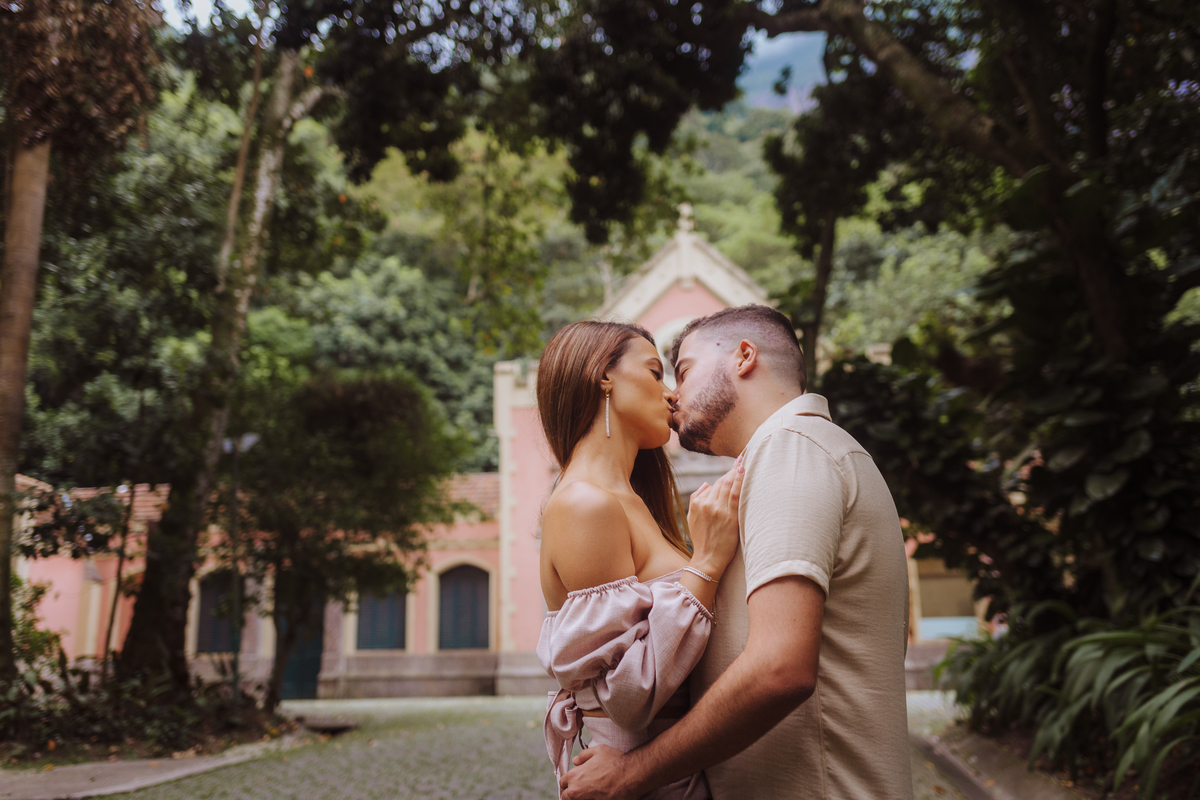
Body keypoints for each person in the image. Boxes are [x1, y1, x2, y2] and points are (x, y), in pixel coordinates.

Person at [559, 305, 913, 800]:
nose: (672, 394)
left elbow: (779, 668)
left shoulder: (789, 447)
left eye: (681, 371)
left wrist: (632, 773)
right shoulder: (814, 450)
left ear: (744, 357)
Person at [536, 320, 745, 800]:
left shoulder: (628, 500)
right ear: (602, 377)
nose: (672, 395)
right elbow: (629, 695)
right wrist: (707, 563)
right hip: (642, 782)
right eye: (655, 372)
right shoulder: (584, 505)